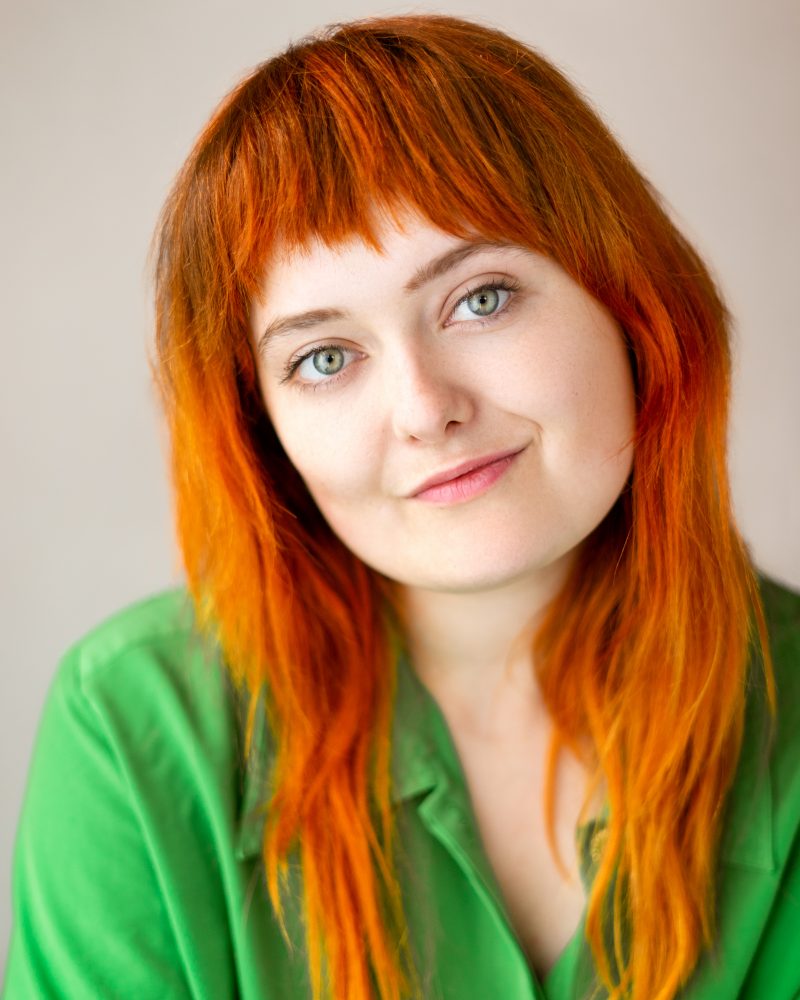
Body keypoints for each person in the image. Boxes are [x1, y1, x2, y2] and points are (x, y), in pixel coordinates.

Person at [4, 13, 799, 1000]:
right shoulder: (132, 730)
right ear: (265, 436)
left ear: (629, 303)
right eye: (323, 358)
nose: (425, 409)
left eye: (480, 297)